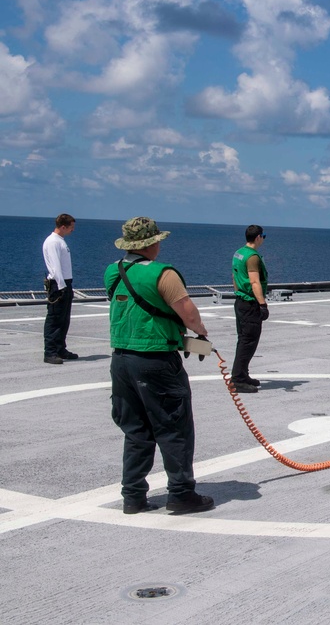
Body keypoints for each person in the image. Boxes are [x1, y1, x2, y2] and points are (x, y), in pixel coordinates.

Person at [105, 217, 215, 515]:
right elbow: (188, 314)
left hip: (121, 361)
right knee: (173, 427)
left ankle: (133, 496)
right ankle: (180, 493)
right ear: (151, 243)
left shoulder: (113, 272)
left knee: (136, 430)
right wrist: (201, 333)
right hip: (156, 360)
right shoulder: (163, 274)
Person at [231, 225, 269, 393]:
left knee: (243, 339)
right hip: (250, 304)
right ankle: (238, 380)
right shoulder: (252, 257)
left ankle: (243, 374)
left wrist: (238, 292)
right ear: (258, 237)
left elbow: (234, 276)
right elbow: (254, 282)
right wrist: (262, 304)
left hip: (240, 301)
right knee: (249, 342)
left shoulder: (238, 253)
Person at [42, 213, 77, 364]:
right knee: (54, 319)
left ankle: (60, 348)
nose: (72, 230)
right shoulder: (53, 242)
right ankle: (50, 352)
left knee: (64, 319)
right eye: (71, 227)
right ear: (63, 226)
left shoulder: (60, 241)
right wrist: (62, 287)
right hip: (58, 284)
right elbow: (55, 266)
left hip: (65, 283)